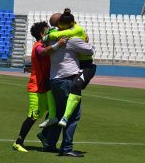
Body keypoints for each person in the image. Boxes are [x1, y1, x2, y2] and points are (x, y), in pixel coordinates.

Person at [38, 10, 95, 157]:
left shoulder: (51, 39)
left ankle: (50, 144)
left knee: (58, 114)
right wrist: (86, 40)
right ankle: (67, 148)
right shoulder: (72, 39)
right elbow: (90, 51)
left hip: (54, 79)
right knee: (73, 114)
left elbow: (43, 47)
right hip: (68, 78)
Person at [12, 21, 66, 152]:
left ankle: (44, 134)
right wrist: (58, 44)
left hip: (46, 87)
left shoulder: (47, 44)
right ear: (42, 33)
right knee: (33, 116)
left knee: (55, 112)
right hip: (36, 88)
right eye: (47, 30)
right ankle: (18, 142)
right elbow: (42, 53)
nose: (50, 32)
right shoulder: (38, 46)